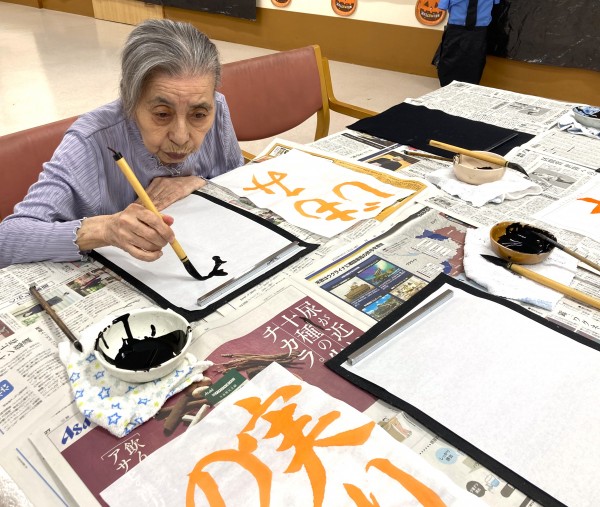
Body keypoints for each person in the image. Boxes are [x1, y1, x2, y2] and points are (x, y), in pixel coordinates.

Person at [0, 19, 244, 269]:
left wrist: (198, 182)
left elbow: (239, 181)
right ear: (129, 100)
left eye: (198, 115)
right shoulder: (91, 140)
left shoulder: (216, 107)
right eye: (162, 114)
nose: (181, 137)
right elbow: (7, 240)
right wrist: (106, 229)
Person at [433, 0, 501, 87]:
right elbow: (443, 6)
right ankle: (447, 83)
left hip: (479, 30)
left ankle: (470, 85)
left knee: (475, 59)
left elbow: (495, 2)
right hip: (456, 28)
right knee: (451, 56)